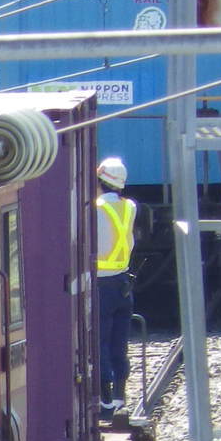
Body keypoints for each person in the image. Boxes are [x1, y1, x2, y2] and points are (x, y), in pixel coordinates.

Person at [95, 156, 137, 416]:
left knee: (99, 341)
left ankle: (105, 400)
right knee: (119, 341)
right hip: (123, 281)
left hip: (101, 282)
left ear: (99, 180)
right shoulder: (130, 206)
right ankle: (121, 397)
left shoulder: (97, 208)